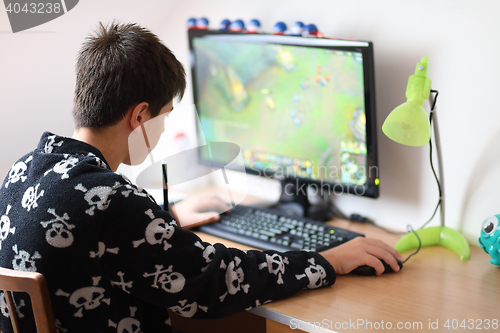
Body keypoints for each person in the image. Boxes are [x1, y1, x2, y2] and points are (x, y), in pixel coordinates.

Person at [0, 22, 403, 333]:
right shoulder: (112, 200)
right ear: (140, 116)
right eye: (164, 117)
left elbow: (96, 241)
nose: (160, 130)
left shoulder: (24, 171)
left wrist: (168, 217)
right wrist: (326, 261)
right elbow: (213, 283)